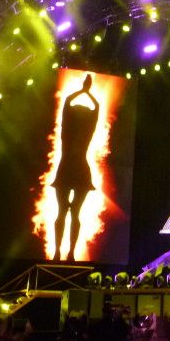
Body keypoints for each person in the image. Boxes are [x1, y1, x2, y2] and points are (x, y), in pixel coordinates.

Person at [51, 74, 99, 262]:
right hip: (76, 170)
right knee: (69, 213)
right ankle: (63, 252)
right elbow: (95, 108)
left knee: (65, 212)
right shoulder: (85, 129)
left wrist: (83, 91)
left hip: (70, 170)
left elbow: (68, 103)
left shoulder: (68, 129)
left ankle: (65, 252)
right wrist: (87, 92)